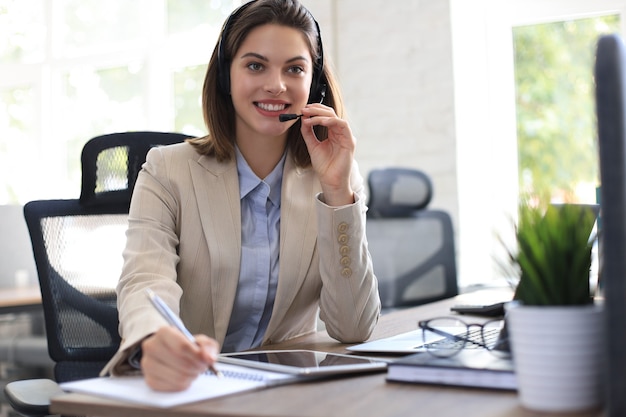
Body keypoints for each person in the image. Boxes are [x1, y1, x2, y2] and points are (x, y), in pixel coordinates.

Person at [101, 0, 381, 392]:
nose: (276, 85)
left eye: (295, 69)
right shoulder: (167, 171)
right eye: (255, 65)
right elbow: (145, 282)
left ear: (314, 84)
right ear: (224, 77)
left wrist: (336, 193)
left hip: (283, 395)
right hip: (193, 391)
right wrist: (154, 341)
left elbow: (353, 327)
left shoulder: (337, 177)